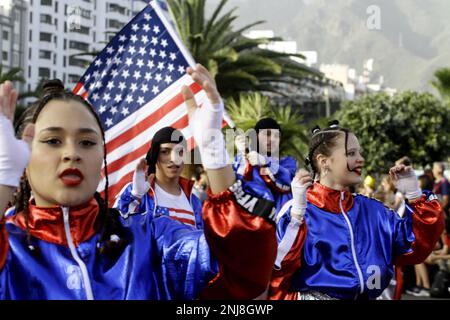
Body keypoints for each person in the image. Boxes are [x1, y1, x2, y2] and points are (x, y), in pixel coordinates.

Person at [0, 65, 277, 300]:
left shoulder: (146, 237)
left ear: (102, 163)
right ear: (22, 159)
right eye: (52, 141)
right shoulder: (10, 248)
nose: (71, 153)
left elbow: (244, 270)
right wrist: (3, 182)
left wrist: (213, 149)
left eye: (87, 142)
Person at [269, 121, 444, 300]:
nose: (361, 159)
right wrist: (296, 217)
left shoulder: (374, 211)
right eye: (351, 153)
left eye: (359, 152)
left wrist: (415, 195)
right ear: (324, 161)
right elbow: (276, 272)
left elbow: (415, 246)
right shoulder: (298, 211)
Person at [114, 126, 203, 229]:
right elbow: (115, 229)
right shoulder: (135, 191)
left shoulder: (194, 201)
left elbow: (204, 240)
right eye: (165, 152)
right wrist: (134, 197)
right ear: (155, 155)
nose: (174, 159)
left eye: (179, 152)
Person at [233, 118, 296, 213]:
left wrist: (266, 162)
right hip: (249, 218)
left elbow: (288, 179)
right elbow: (236, 182)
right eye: (267, 134)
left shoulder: (287, 162)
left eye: (276, 136)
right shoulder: (244, 159)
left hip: (278, 221)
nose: (272, 139)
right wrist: (243, 154)